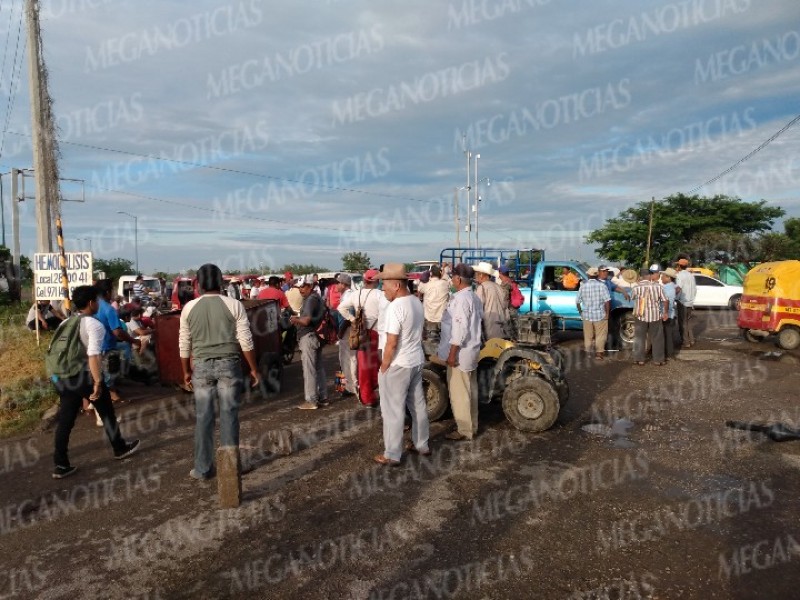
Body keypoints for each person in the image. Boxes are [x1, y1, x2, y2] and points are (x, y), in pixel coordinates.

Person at [50, 285, 140, 479]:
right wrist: (98, 382)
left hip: (62, 376)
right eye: (97, 300)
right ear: (91, 303)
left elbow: (53, 349)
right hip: (82, 375)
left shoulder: (65, 322)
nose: (98, 303)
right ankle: (120, 448)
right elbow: (93, 355)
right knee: (106, 410)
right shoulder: (93, 324)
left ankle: (61, 464)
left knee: (66, 419)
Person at [179, 263, 260, 480]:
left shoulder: (188, 308)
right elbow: (245, 340)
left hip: (201, 367)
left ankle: (203, 468)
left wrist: (186, 371)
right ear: (220, 282)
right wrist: (254, 369)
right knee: (229, 415)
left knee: (203, 417)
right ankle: (230, 468)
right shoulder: (234, 305)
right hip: (229, 365)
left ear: (199, 284)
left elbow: (184, 343)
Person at [375, 264, 429, 465]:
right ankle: (422, 444)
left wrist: (384, 367)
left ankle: (392, 454)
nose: (382, 289)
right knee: (418, 405)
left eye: (384, 285)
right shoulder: (415, 302)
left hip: (399, 364)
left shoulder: (395, 307)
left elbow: (391, 342)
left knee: (392, 410)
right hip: (415, 359)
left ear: (396, 285)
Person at [438, 264, 483, 441]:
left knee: (460, 394)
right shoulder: (473, 297)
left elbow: (460, 328)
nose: (452, 280)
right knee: (470, 392)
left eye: (453, 278)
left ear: (457, 279)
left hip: (460, 354)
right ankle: (471, 427)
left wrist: (452, 353)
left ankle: (465, 430)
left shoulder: (460, 299)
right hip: (471, 350)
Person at [339, 268, 383, 407]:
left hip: (361, 333)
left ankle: (367, 397)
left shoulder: (356, 294)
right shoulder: (379, 295)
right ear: (376, 281)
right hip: (376, 333)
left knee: (364, 366)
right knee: (379, 365)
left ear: (364, 280)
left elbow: (341, 308)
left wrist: (353, 320)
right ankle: (380, 392)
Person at [95, 279, 141, 403]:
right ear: (107, 292)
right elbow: (118, 332)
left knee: (99, 373)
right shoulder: (108, 309)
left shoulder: (92, 305)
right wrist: (133, 340)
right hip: (106, 346)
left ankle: (96, 399)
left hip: (94, 346)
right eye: (112, 290)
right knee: (109, 371)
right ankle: (112, 395)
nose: (114, 293)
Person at [291, 275, 329, 410]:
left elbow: (306, 321)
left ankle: (311, 400)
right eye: (299, 287)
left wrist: (294, 319)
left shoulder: (310, 300)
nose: (301, 290)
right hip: (316, 336)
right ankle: (323, 397)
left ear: (310, 286)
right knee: (318, 367)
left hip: (308, 336)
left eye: (303, 287)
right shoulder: (317, 297)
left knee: (309, 370)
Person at [630, 268, 668, 366]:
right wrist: (665, 312)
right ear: (650, 275)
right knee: (657, 338)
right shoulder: (658, 287)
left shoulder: (636, 287)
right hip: (655, 315)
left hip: (640, 316)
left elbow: (632, 297)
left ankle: (639, 359)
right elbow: (665, 300)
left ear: (641, 276)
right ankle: (658, 360)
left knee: (639, 337)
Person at [576, 267, 611, 360]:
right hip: (600, 314)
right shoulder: (602, 286)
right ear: (597, 275)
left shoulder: (583, 286)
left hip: (587, 315)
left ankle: (588, 353)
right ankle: (599, 354)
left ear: (588, 275)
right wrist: (607, 314)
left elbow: (577, 302)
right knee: (601, 335)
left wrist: (581, 313)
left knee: (588, 335)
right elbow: (607, 301)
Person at [334, 273, 358, 398]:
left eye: (338, 283)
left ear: (344, 284)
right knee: (346, 360)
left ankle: (350, 387)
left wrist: (340, 332)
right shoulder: (346, 295)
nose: (336, 285)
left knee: (348, 360)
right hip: (346, 330)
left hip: (347, 331)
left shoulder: (348, 296)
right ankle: (344, 386)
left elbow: (348, 317)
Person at [473, 261, 509, 340]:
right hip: (503, 328)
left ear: (481, 275)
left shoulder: (482, 288)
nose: (475, 276)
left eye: (477, 274)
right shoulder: (498, 287)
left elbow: (477, 310)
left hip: (490, 329)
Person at [417, 265, 450, 337]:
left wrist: (424, 279)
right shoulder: (445, 284)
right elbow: (449, 281)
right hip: (442, 319)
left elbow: (419, 289)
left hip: (430, 319)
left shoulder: (426, 284)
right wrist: (443, 275)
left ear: (431, 273)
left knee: (431, 344)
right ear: (440, 273)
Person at [674, 257, 697, 347]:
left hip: (682, 302)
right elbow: (695, 290)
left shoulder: (680, 275)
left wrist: (675, 297)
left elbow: (679, 289)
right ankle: (691, 340)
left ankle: (686, 342)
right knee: (688, 322)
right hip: (690, 302)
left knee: (682, 323)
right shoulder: (691, 275)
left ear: (679, 266)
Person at [496, 266, 524, 339]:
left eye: (499, 273)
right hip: (513, 308)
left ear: (501, 273)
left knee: (511, 329)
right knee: (514, 327)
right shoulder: (511, 281)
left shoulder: (506, 284)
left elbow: (504, 298)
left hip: (509, 309)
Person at [660, 268, 678, 360]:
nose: (661, 277)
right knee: (668, 334)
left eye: (663, 276)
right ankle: (670, 353)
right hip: (670, 314)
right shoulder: (672, 286)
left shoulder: (667, 288)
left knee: (666, 335)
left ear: (669, 278)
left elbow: (666, 301)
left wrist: (665, 313)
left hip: (666, 314)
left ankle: (668, 354)